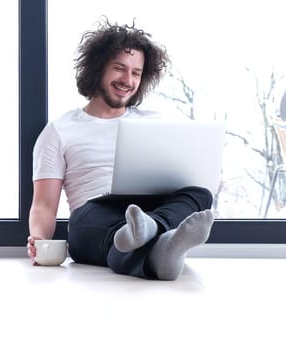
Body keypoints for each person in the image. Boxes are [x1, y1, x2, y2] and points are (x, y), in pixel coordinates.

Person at [26, 18, 214, 281]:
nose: (128, 79)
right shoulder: (60, 129)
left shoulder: (156, 123)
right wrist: (39, 238)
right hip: (95, 216)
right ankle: (163, 248)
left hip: (149, 210)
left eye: (136, 73)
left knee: (200, 194)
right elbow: (44, 204)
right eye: (119, 69)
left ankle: (154, 234)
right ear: (98, 68)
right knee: (82, 223)